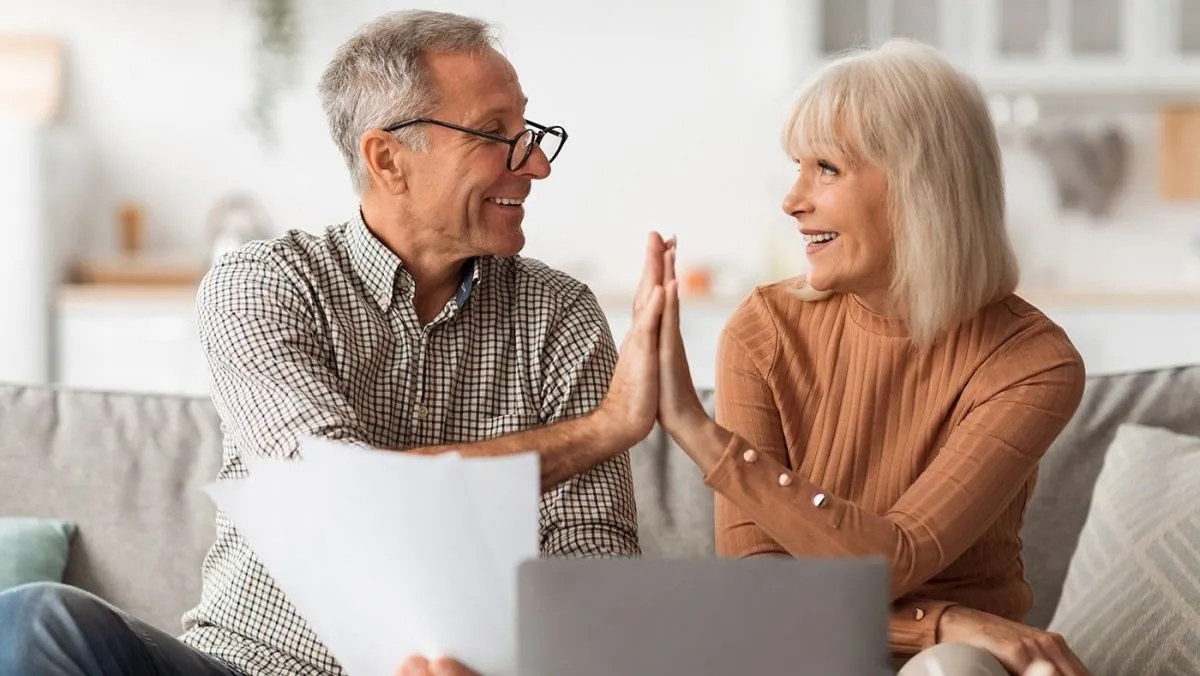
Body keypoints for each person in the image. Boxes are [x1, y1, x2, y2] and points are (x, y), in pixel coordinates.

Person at [0, 10, 664, 676]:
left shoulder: (561, 317)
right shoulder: (265, 283)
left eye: (528, 132)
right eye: (497, 135)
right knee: (37, 621)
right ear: (388, 159)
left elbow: (592, 569)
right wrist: (602, 430)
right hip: (253, 667)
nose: (538, 165)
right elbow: (339, 497)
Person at [649, 40, 1092, 676]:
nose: (792, 200)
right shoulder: (765, 329)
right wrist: (944, 619)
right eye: (797, 166)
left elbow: (893, 560)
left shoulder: (1030, 361)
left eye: (825, 168)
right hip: (800, 648)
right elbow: (758, 584)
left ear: (920, 187)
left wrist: (700, 431)